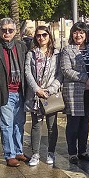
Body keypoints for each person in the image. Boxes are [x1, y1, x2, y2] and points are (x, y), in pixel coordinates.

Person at [0, 18, 27, 167]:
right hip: (4, 92)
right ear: (0, 31)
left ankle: (18, 151)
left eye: (10, 30)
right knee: (6, 124)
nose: (7, 33)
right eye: (4, 30)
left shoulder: (22, 46)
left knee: (19, 123)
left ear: (15, 32)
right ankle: (9, 154)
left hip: (21, 91)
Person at [24, 25, 62, 167]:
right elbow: (28, 73)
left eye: (44, 35)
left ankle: (51, 152)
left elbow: (60, 74)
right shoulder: (31, 53)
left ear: (49, 36)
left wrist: (50, 90)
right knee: (36, 125)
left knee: (52, 126)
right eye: (38, 35)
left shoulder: (56, 54)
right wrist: (37, 89)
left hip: (50, 95)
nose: (41, 38)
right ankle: (35, 153)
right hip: (36, 95)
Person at [61, 21, 89, 163]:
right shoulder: (67, 50)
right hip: (73, 92)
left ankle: (83, 151)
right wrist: (85, 79)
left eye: (81, 32)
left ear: (86, 34)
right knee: (73, 123)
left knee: (85, 123)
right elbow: (66, 70)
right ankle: (72, 153)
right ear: (72, 34)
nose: (79, 35)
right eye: (76, 32)